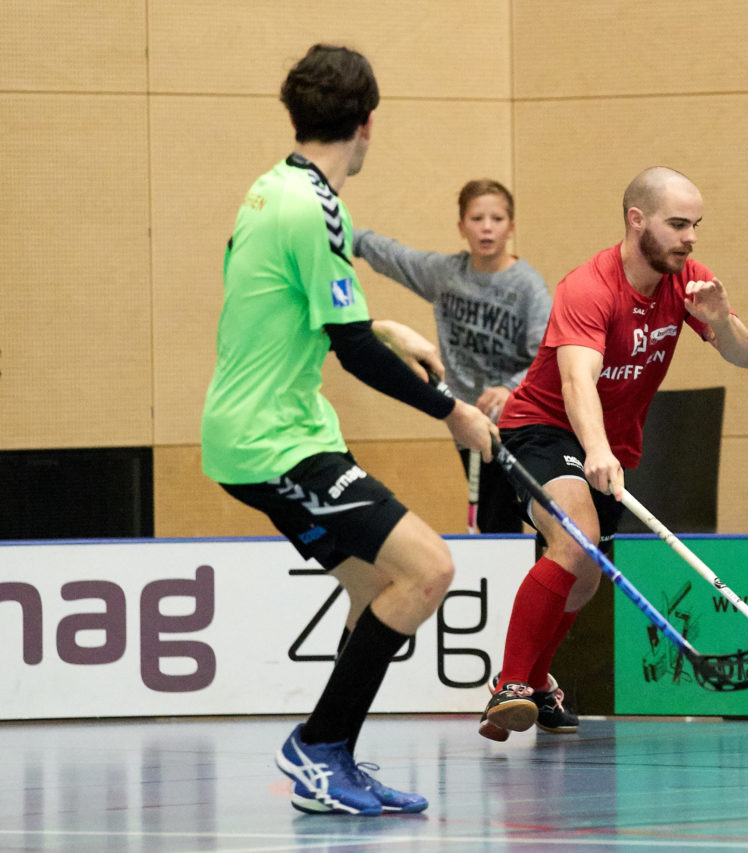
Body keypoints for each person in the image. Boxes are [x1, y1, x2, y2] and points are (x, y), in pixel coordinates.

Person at [200, 44, 497, 815]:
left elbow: (312, 309)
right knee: (429, 569)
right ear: (368, 124)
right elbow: (350, 346)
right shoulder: (316, 206)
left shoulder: (273, 190)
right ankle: (318, 748)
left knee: (376, 588)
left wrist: (393, 328)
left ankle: (332, 757)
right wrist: (454, 412)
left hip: (264, 431)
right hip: (277, 441)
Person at [478, 166, 748, 742]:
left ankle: (536, 684)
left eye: (695, 226)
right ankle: (509, 685)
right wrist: (597, 450)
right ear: (637, 220)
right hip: (542, 428)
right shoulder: (589, 287)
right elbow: (578, 380)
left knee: (583, 579)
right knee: (575, 536)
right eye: (678, 224)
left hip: (610, 447)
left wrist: (719, 323)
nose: (691, 238)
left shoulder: (691, 281)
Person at [352, 180, 552, 533]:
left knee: (506, 517)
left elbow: (547, 358)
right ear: (462, 227)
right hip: (465, 419)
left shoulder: (528, 287)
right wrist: (336, 232)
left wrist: (508, 388)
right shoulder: (446, 275)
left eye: (497, 218)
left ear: (511, 227)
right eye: (477, 218)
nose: (487, 227)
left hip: (518, 421)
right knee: (493, 519)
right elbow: (391, 255)